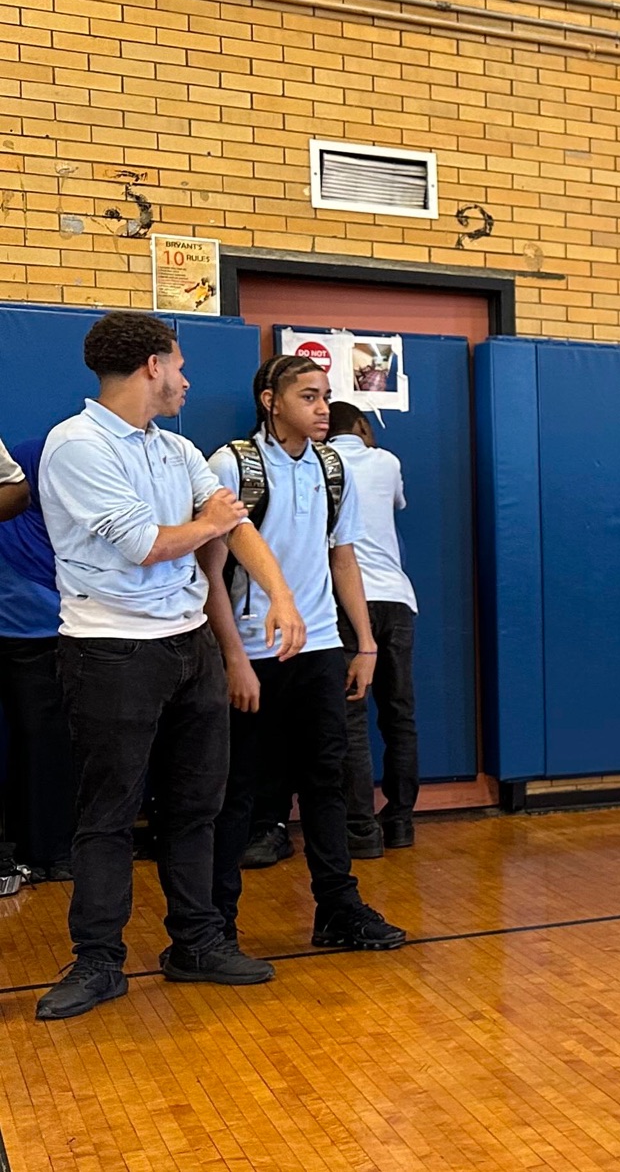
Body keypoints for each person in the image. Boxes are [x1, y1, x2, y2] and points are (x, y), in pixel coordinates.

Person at [35, 311, 304, 1021]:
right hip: (110, 650)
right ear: (152, 366)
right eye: (179, 364)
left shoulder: (174, 448)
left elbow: (235, 526)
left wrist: (280, 596)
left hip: (191, 647)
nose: (186, 378)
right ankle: (97, 960)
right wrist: (211, 523)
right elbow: (144, 544)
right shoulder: (77, 445)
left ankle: (197, 942)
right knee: (110, 813)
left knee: (197, 806)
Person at [201, 355, 407, 954]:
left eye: (325, 397)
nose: (322, 409)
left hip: (319, 646)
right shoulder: (232, 464)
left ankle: (337, 908)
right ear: (271, 400)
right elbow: (211, 570)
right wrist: (234, 656)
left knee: (327, 781)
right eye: (309, 397)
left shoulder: (332, 467)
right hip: (254, 653)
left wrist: (362, 642)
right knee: (239, 789)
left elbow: (344, 557)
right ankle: (217, 924)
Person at [326, 402, 421, 855]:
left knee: (352, 719)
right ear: (362, 427)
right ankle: (401, 821)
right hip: (397, 600)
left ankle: (360, 830)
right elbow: (398, 503)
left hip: (347, 601)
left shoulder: (320, 464)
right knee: (400, 716)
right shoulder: (386, 462)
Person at [0, 434, 79, 886]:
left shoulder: (40, 456)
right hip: (28, 622)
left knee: (46, 742)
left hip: (43, 629)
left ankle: (50, 849)